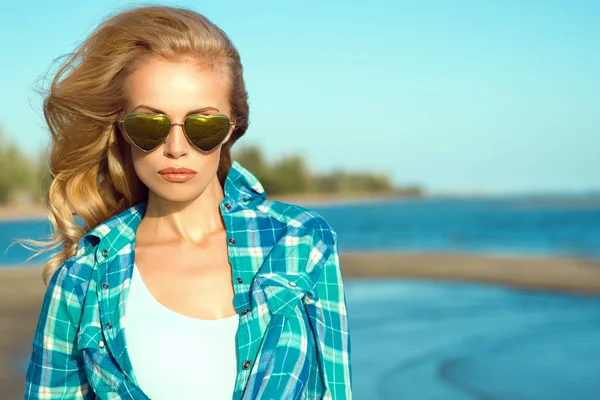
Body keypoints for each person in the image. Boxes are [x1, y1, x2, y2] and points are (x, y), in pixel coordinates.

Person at [23, 5, 352, 400]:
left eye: (203, 125)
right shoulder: (82, 280)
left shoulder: (302, 242)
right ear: (121, 130)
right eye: (149, 125)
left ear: (233, 127)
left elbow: (337, 388)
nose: (176, 148)